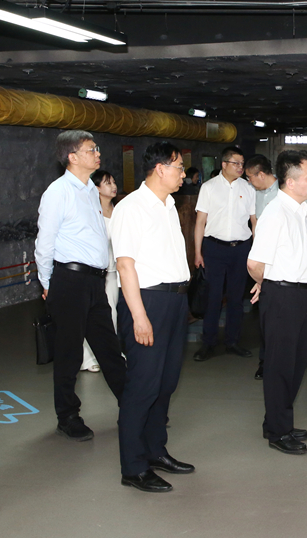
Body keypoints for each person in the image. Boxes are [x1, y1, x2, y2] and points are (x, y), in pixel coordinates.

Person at [113, 141, 195, 493]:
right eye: (178, 167)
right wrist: (139, 316)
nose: (183, 174)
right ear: (160, 169)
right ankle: (133, 467)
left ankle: (155, 450)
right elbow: (125, 265)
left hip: (174, 302)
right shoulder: (131, 208)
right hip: (147, 302)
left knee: (166, 382)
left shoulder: (169, 205)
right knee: (142, 386)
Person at [34, 130, 126, 441]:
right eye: (90, 149)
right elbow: (44, 243)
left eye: (96, 148)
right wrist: (48, 283)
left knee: (109, 348)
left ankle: (132, 405)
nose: (97, 153)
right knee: (69, 353)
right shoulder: (58, 192)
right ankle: (68, 416)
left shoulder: (89, 190)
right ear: (72, 157)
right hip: (69, 280)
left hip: (94, 281)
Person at [246, 150, 307, 455]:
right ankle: (278, 431)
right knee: (280, 366)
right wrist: (267, 284)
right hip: (283, 296)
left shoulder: (297, 210)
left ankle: (277, 420)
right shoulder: (276, 213)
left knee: (296, 363)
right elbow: (254, 263)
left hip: (299, 295)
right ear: (291, 182)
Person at [192, 146, 256, 361]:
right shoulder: (209, 187)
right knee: (213, 297)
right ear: (224, 164)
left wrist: (256, 251)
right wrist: (198, 251)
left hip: (241, 248)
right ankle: (208, 343)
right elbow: (200, 222)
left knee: (237, 298)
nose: (240, 167)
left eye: (242, 163)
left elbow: (254, 221)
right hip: (214, 248)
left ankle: (232, 341)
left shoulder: (248, 188)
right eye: (236, 163)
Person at [79, 169, 120, 373]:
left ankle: (111, 354)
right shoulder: (91, 212)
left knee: (112, 314)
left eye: (113, 182)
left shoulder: (119, 211)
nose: (113, 186)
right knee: (91, 315)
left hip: (114, 271)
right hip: (95, 272)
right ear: (96, 188)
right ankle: (87, 358)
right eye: (107, 183)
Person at [244, 154, 279, 380]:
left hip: (283, 260)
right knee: (265, 314)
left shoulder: (285, 191)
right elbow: (255, 225)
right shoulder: (255, 194)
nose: (248, 181)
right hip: (263, 260)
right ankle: (265, 362)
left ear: (261, 174)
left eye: (250, 177)